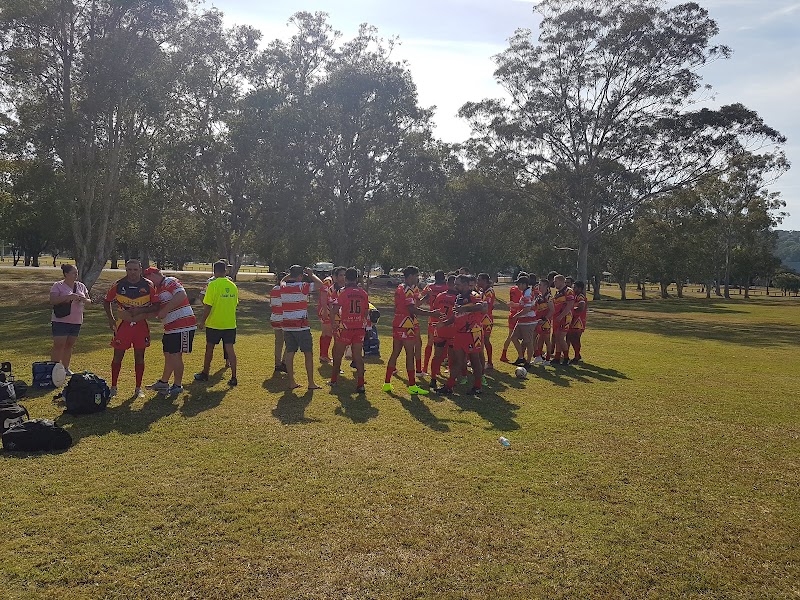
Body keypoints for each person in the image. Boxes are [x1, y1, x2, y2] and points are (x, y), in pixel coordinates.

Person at [104, 259, 160, 398]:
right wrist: (111, 319)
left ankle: (138, 388)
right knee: (118, 356)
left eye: (135, 270)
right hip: (123, 325)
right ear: (126, 270)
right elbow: (106, 301)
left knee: (139, 356)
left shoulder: (148, 285)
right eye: (129, 269)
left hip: (140, 326)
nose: (132, 273)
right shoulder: (118, 285)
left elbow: (157, 305)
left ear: (140, 270)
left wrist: (141, 309)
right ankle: (114, 387)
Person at [383, 266, 439, 396]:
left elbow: (414, 304)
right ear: (410, 276)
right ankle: (412, 386)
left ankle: (386, 383)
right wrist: (432, 313)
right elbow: (412, 309)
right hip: (406, 324)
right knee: (410, 354)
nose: (418, 278)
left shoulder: (401, 288)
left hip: (397, 323)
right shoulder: (407, 289)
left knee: (395, 352)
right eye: (416, 276)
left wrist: (425, 298)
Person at [140, 267, 197, 395]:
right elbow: (157, 309)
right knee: (168, 354)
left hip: (184, 325)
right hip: (170, 327)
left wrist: (165, 310)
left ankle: (177, 385)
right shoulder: (156, 290)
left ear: (154, 274)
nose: (148, 281)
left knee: (176, 355)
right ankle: (164, 382)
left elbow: (181, 295)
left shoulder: (169, 281)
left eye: (148, 277)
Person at [440, 275, 487, 395]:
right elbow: (456, 314)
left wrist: (464, 309)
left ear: (466, 284)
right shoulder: (459, 297)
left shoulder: (474, 295)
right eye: (455, 284)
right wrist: (445, 323)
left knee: (474, 360)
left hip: (473, 332)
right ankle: (449, 386)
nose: (455, 286)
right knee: (457, 361)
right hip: (460, 333)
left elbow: (481, 307)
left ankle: (477, 386)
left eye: (458, 284)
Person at [194, 261, 239, 386]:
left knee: (209, 348)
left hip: (214, 323)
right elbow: (235, 304)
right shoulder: (233, 285)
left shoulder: (212, 285)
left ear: (214, 271)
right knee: (230, 349)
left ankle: (205, 373)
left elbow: (207, 306)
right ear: (225, 271)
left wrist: (202, 322)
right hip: (230, 324)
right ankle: (234, 377)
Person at [280, 265, 324, 390]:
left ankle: (291, 382)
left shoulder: (283, 287)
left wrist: (289, 275)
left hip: (287, 326)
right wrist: (311, 274)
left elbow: (282, 281)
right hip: (301, 326)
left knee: (290, 352)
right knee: (308, 353)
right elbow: (320, 285)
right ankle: (311, 382)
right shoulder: (302, 286)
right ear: (300, 276)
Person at [329, 268, 369, 392]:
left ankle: (334, 380)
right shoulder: (363, 293)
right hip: (359, 328)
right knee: (357, 356)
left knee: (338, 354)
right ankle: (361, 384)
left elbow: (334, 310)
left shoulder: (342, 292)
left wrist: (333, 324)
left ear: (346, 278)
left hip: (345, 327)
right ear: (356, 278)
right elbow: (366, 310)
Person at [49, 264, 91, 374]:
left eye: (77, 273)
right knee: (59, 345)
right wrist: (68, 297)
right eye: (73, 273)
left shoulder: (81, 286)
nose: (76, 275)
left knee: (69, 345)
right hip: (60, 320)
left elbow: (89, 301)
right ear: (66, 274)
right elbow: (53, 300)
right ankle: (53, 369)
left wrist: (83, 299)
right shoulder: (57, 285)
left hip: (76, 321)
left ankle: (66, 368)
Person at [429, 274, 459, 392]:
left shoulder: (440, 296)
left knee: (437, 355)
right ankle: (451, 381)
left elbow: (435, 311)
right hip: (452, 330)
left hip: (440, 329)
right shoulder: (459, 297)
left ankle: (433, 378)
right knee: (452, 357)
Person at [421, 270, 449, 375]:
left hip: (432, 318)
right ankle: (438, 368)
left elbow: (422, 297)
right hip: (444, 319)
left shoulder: (429, 287)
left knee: (429, 343)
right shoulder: (447, 288)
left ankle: (425, 368)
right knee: (444, 344)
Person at [500, 273, 526, 363]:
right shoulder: (521, 290)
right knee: (525, 337)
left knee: (511, 336)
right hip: (518, 314)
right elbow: (522, 304)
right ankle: (523, 355)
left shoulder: (512, 289)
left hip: (512, 313)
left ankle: (504, 354)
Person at [551, 274, 575, 366]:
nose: (554, 283)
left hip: (565, 317)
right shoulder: (558, 293)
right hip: (557, 317)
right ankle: (557, 358)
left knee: (561, 337)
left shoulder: (568, 291)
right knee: (557, 337)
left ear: (561, 281)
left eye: (556, 281)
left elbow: (570, 305)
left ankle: (566, 358)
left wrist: (561, 316)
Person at [532, 278, 555, 366]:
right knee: (533, 338)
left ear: (545, 286)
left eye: (540, 285)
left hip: (545, 321)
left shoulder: (548, 296)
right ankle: (538, 356)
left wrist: (544, 319)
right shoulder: (539, 296)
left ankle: (548, 359)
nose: (539, 286)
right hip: (538, 320)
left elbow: (552, 310)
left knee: (546, 340)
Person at [476, 273, 496, 372]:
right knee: (478, 341)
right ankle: (479, 361)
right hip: (479, 319)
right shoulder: (481, 291)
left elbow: (487, 305)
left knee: (486, 340)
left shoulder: (489, 291)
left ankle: (490, 362)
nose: (477, 281)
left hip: (487, 320)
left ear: (484, 280)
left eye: (479, 280)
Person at [270, 272, 287, 375]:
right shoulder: (286, 289)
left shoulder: (274, 289)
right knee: (289, 343)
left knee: (278, 343)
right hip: (284, 319)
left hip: (275, 317)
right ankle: (284, 363)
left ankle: (277, 364)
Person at [567, 280, 587, 363]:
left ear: (580, 288)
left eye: (575, 287)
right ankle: (576, 354)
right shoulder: (575, 296)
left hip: (578, 321)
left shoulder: (581, 296)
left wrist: (572, 311)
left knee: (575, 338)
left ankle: (576, 356)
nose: (573, 288)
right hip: (573, 320)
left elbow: (581, 308)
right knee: (570, 338)